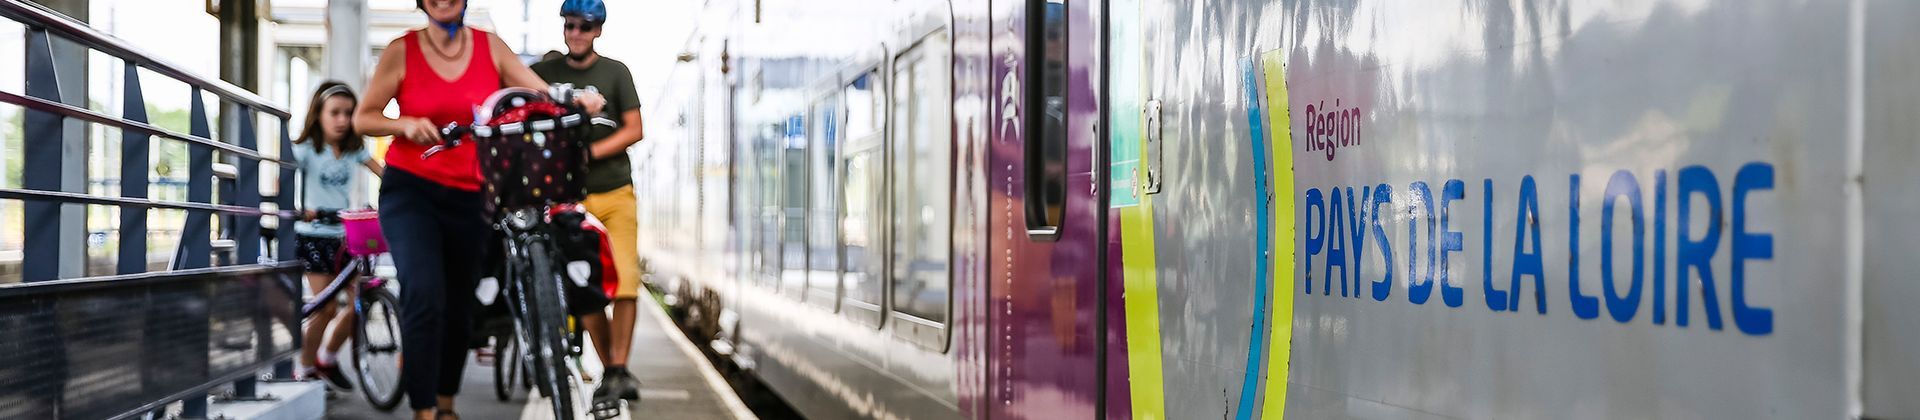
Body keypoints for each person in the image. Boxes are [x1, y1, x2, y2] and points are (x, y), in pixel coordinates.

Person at [353, 1, 605, 418]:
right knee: (425, 294)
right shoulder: (403, 50)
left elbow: (538, 92)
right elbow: (364, 118)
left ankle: (447, 403)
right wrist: (404, 124)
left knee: (459, 303)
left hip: (472, 195)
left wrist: (577, 98)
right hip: (411, 191)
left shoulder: (492, 48)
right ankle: (424, 410)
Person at [530, 0, 646, 403]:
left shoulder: (615, 73)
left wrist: (590, 154)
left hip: (614, 191)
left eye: (584, 26)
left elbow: (634, 129)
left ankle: (618, 368)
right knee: (585, 284)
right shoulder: (545, 73)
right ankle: (611, 368)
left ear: (598, 30)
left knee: (626, 280)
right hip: (568, 198)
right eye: (569, 25)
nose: (575, 33)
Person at [292, 81, 384, 391]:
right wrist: (300, 208)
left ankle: (328, 359)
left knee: (361, 303)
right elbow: (283, 178)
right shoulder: (305, 150)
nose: (342, 120)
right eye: (335, 113)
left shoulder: (355, 150)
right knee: (325, 307)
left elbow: (384, 173)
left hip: (346, 237)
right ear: (318, 115)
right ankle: (304, 367)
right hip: (313, 235)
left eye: (348, 113)